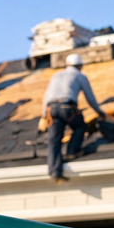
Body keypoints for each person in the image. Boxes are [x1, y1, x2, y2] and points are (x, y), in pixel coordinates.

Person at [39, 53, 105, 183]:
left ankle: (55, 171)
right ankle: (72, 151)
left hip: (51, 109)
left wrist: (43, 115)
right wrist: (100, 112)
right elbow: (90, 97)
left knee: (54, 140)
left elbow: (46, 96)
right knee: (80, 126)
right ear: (79, 65)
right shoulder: (80, 76)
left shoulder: (56, 75)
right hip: (67, 107)